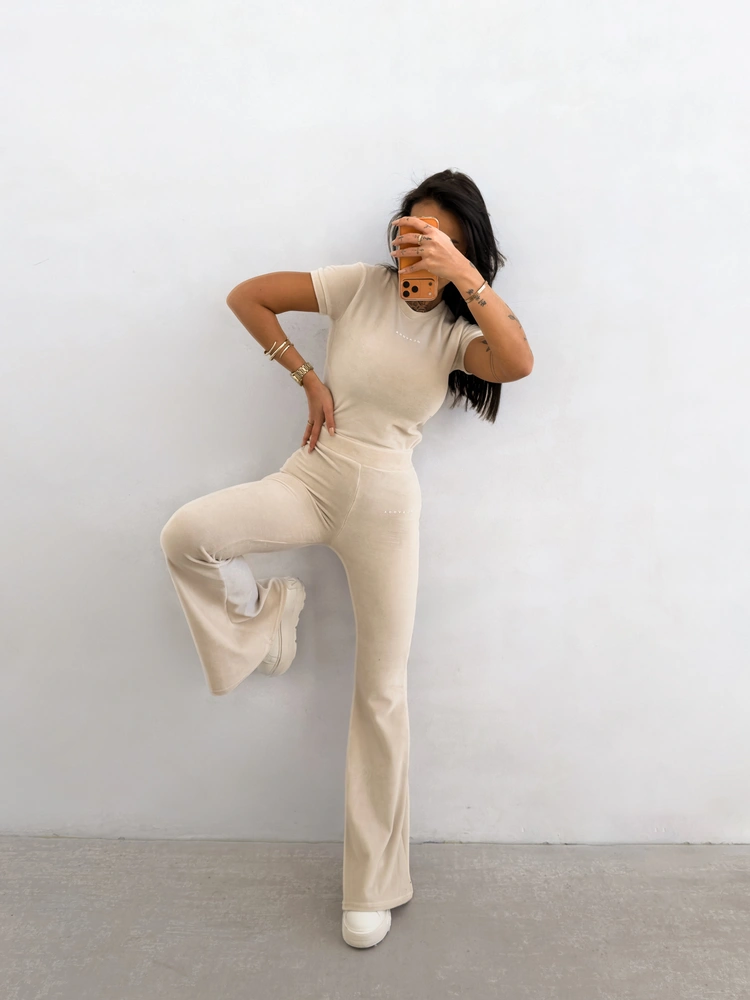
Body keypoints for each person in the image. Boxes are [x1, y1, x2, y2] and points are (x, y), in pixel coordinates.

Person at [159, 169, 534, 949]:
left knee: (382, 693)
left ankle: (373, 886)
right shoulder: (359, 286)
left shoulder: (457, 334)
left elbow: (518, 361)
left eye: (436, 237)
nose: (416, 248)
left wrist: (463, 278)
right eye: (410, 231)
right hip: (313, 476)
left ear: (463, 247)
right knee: (187, 535)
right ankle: (266, 618)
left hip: (386, 511)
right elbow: (247, 297)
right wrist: (305, 377)